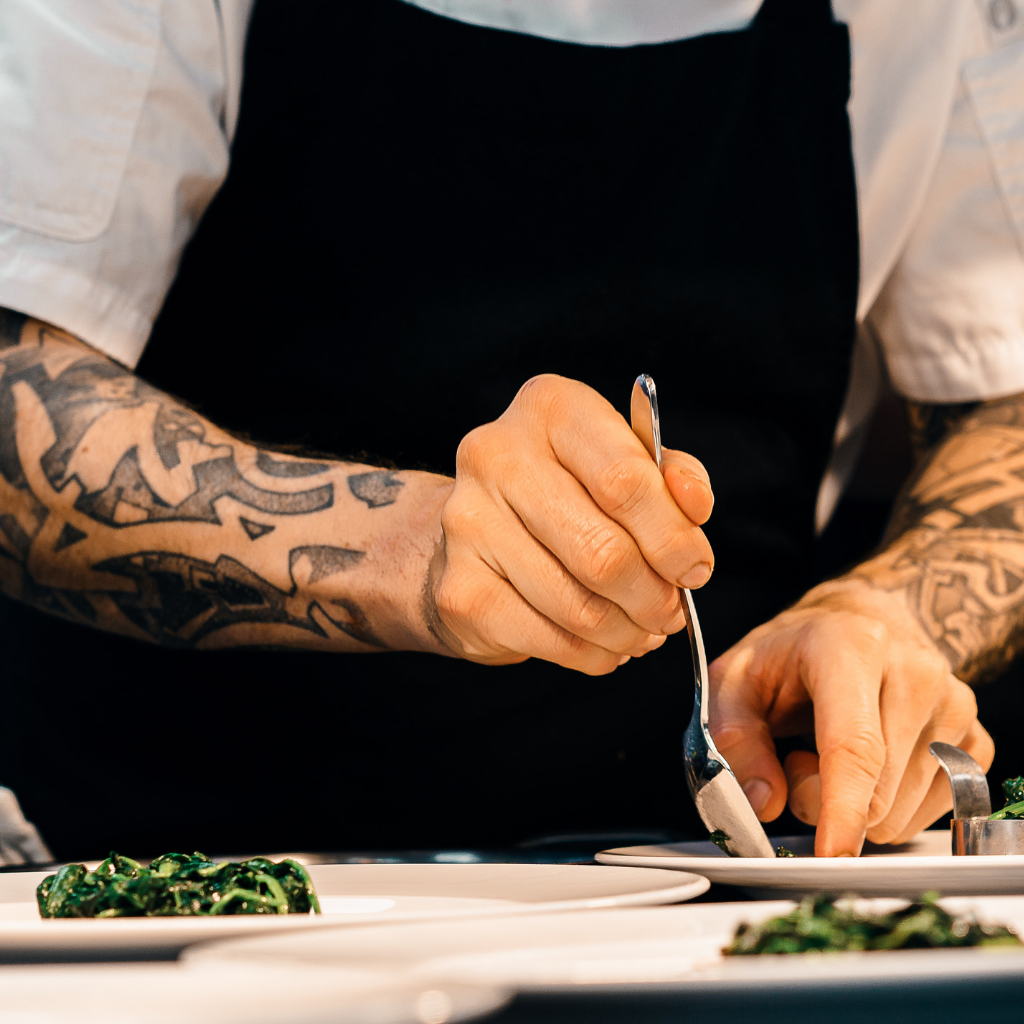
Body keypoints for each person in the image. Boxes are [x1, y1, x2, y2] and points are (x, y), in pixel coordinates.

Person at [0, 0, 1020, 859]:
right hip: (175, 880)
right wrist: (407, 545)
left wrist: (888, 617)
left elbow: (1002, 402)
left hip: (718, 880)